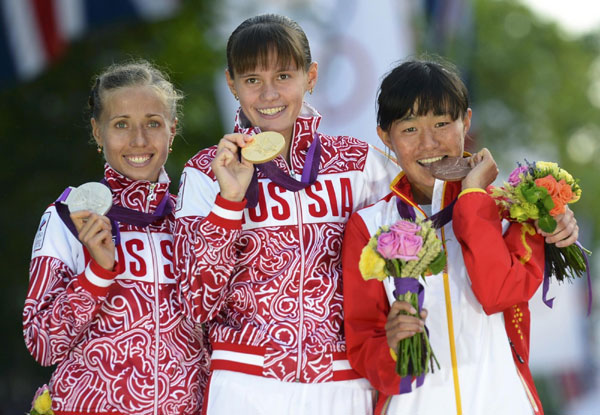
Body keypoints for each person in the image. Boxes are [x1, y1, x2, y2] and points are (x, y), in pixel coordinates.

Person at [172, 13, 403, 415]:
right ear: (232, 84)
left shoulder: (361, 163)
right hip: (246, 384)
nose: (268, 94)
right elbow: (195, 302)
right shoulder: (205, 171)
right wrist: (229, 201)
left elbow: (426, 234)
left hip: (343, 382)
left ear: (310, 76)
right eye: (251, 80)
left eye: (283, 76)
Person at [342, 57, 577, 415]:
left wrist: (472, 198)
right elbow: (364, 346)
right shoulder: (369, 225)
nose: (429, 143)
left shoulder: (512, 210)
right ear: (384, 137)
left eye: (441, 123)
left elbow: (498, 294)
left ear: (466, 122)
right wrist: (391, 344)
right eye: (409, 129)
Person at [23, 61, 208, 415]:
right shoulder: (68, 217)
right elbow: (43, 343)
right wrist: (97, 273)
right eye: (121, 124)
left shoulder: (192, 222)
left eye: (153, 123)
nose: (139, 140)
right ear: (97, 132)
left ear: (173, 129)